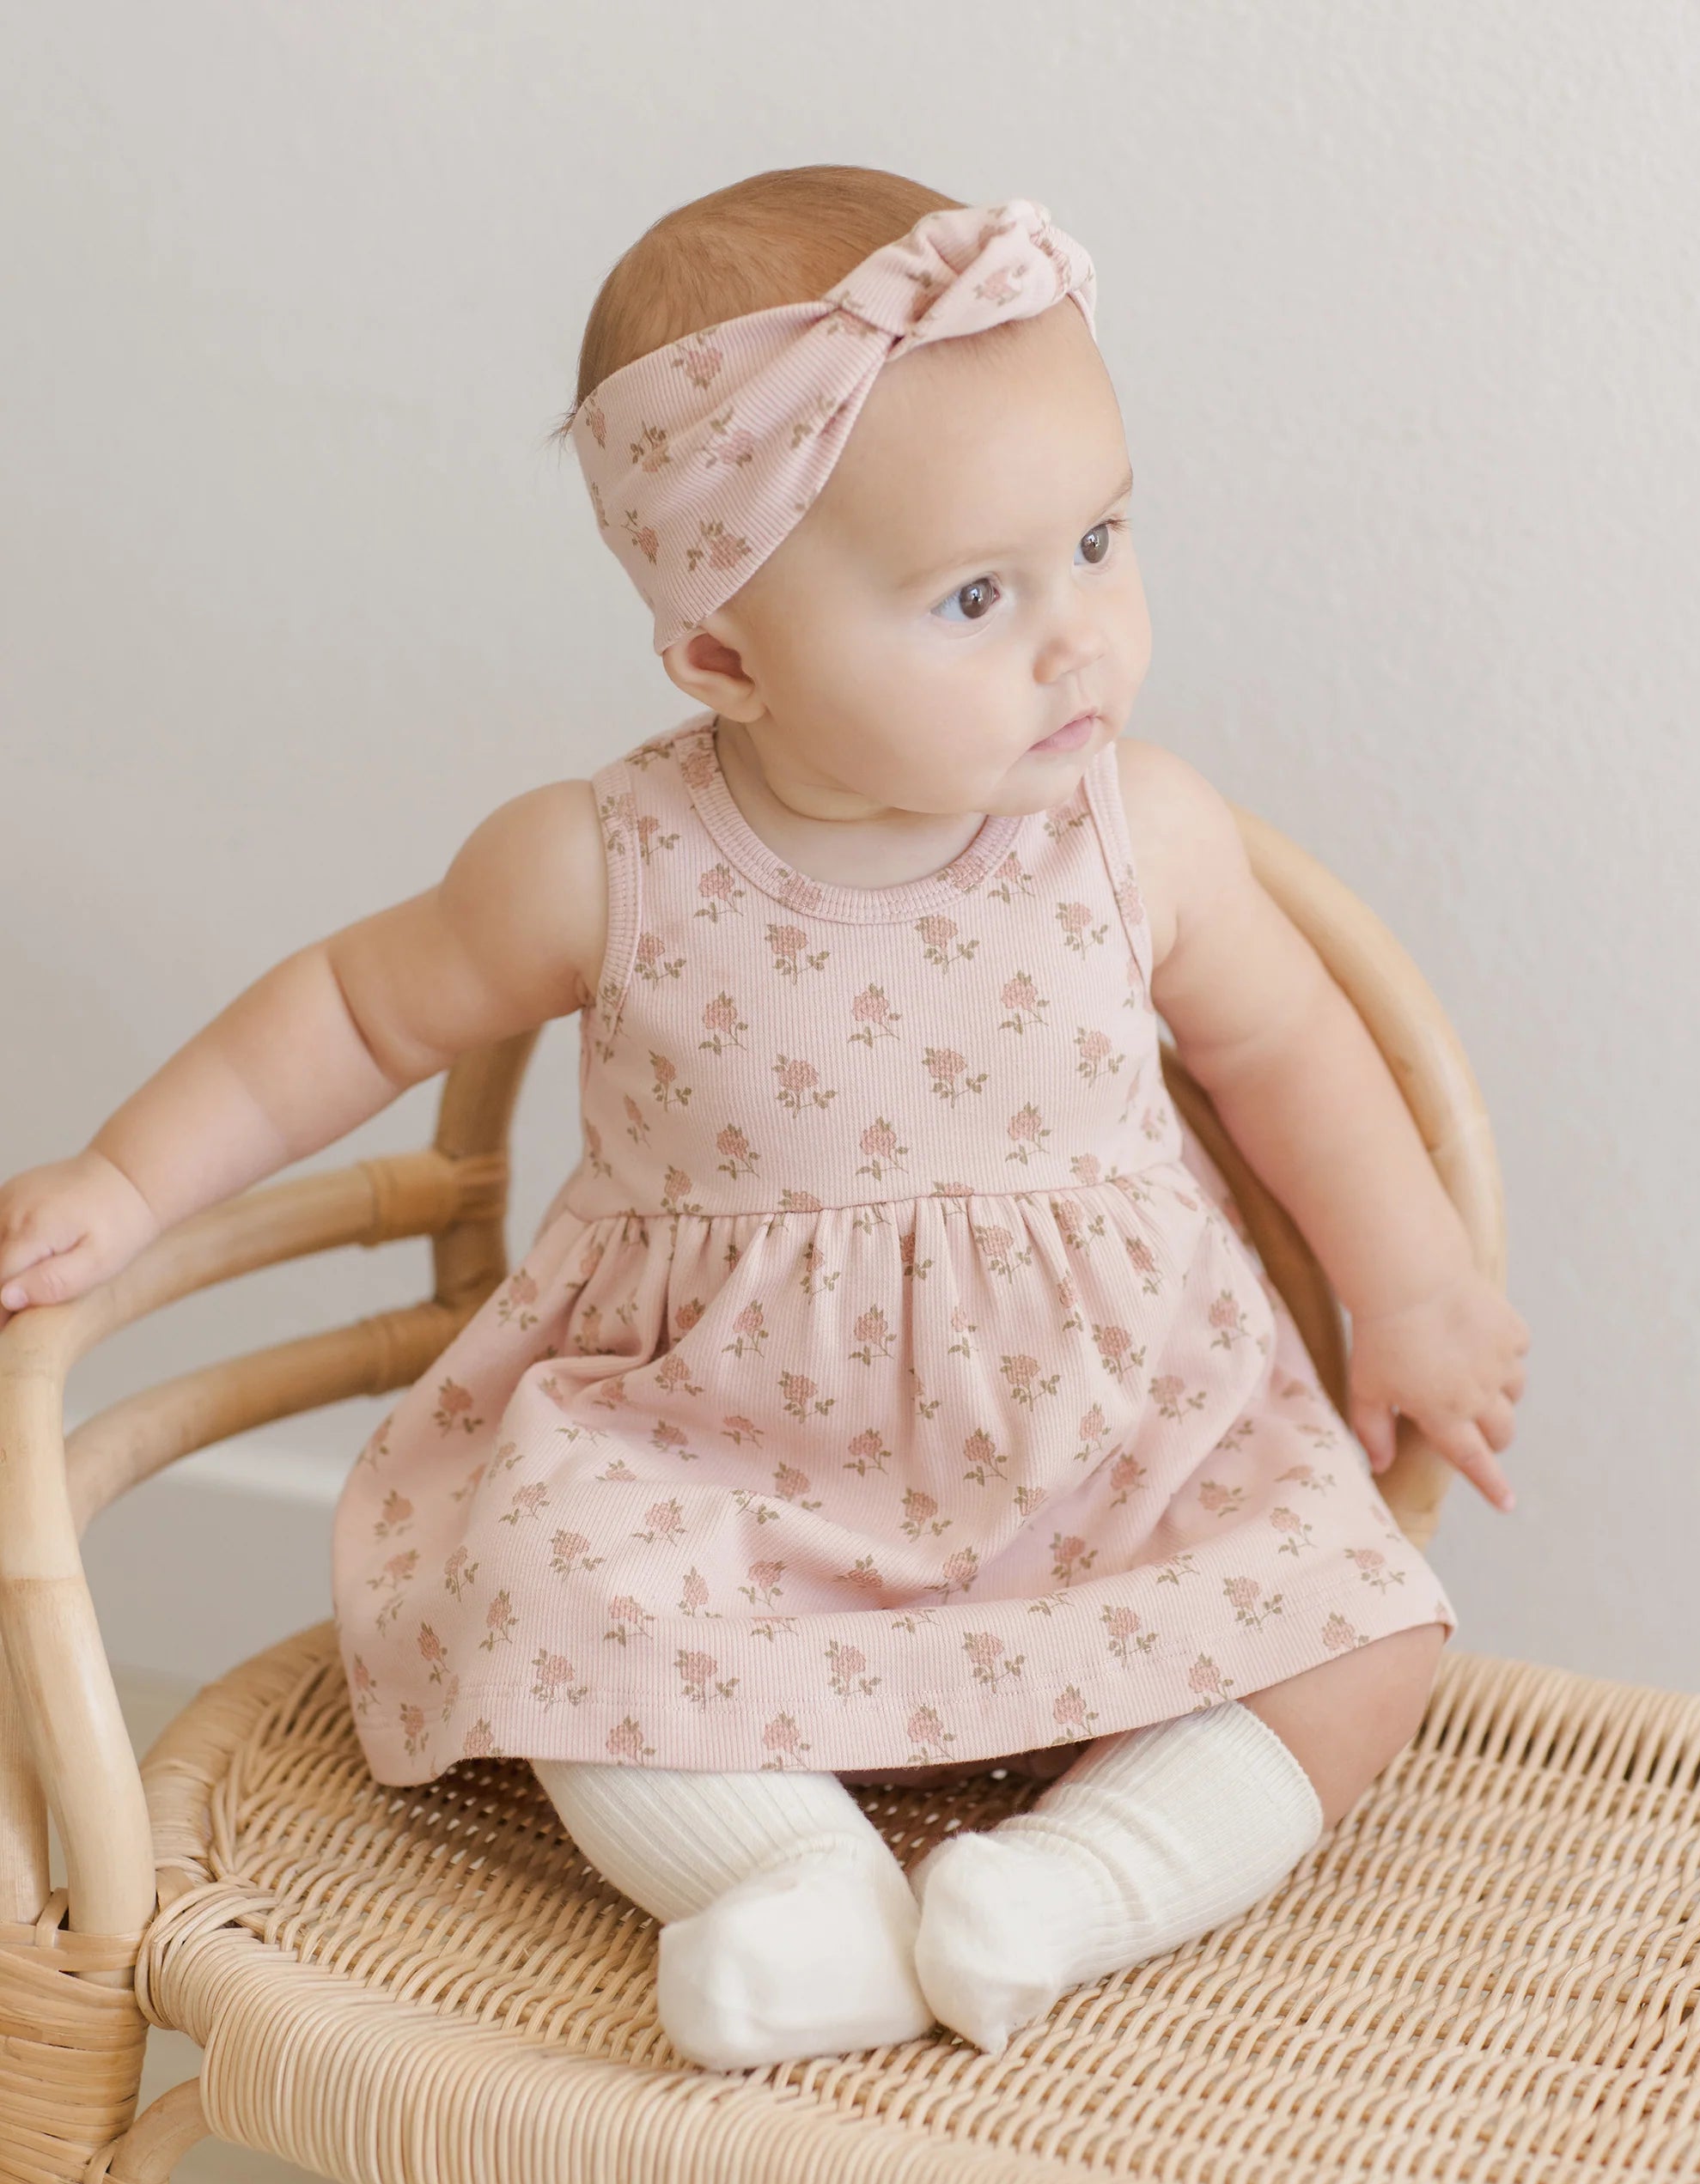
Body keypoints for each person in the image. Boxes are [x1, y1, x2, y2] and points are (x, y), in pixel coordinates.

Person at [0, 166, 1528, 2072]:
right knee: (553, 1595)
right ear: (725, 655)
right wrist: (126, 1177)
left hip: (1110, 1447)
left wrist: (1414, 1289)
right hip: (716, 1458)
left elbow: (1290, 1056)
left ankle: (1068, 1888)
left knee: (1365, 1628)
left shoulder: (1147, 835)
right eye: (975, 595)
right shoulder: (601, 862)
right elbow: (348, 1012)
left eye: (1098, 540)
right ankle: (792, 1884)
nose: (1079, 637)